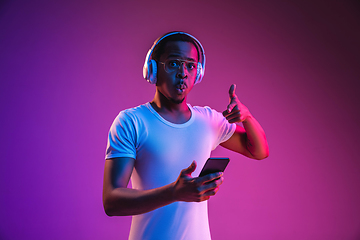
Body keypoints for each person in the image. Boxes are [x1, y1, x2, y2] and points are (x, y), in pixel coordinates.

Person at [102, 31, 269, 240]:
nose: (183, 72)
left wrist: (248, 117)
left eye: (190, 65)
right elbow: (112, 201)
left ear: (198, 73)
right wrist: (174, 192)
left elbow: (259, 151)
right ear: (153, 69)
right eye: (173, 64)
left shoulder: (209, 120)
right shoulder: (131, 122)